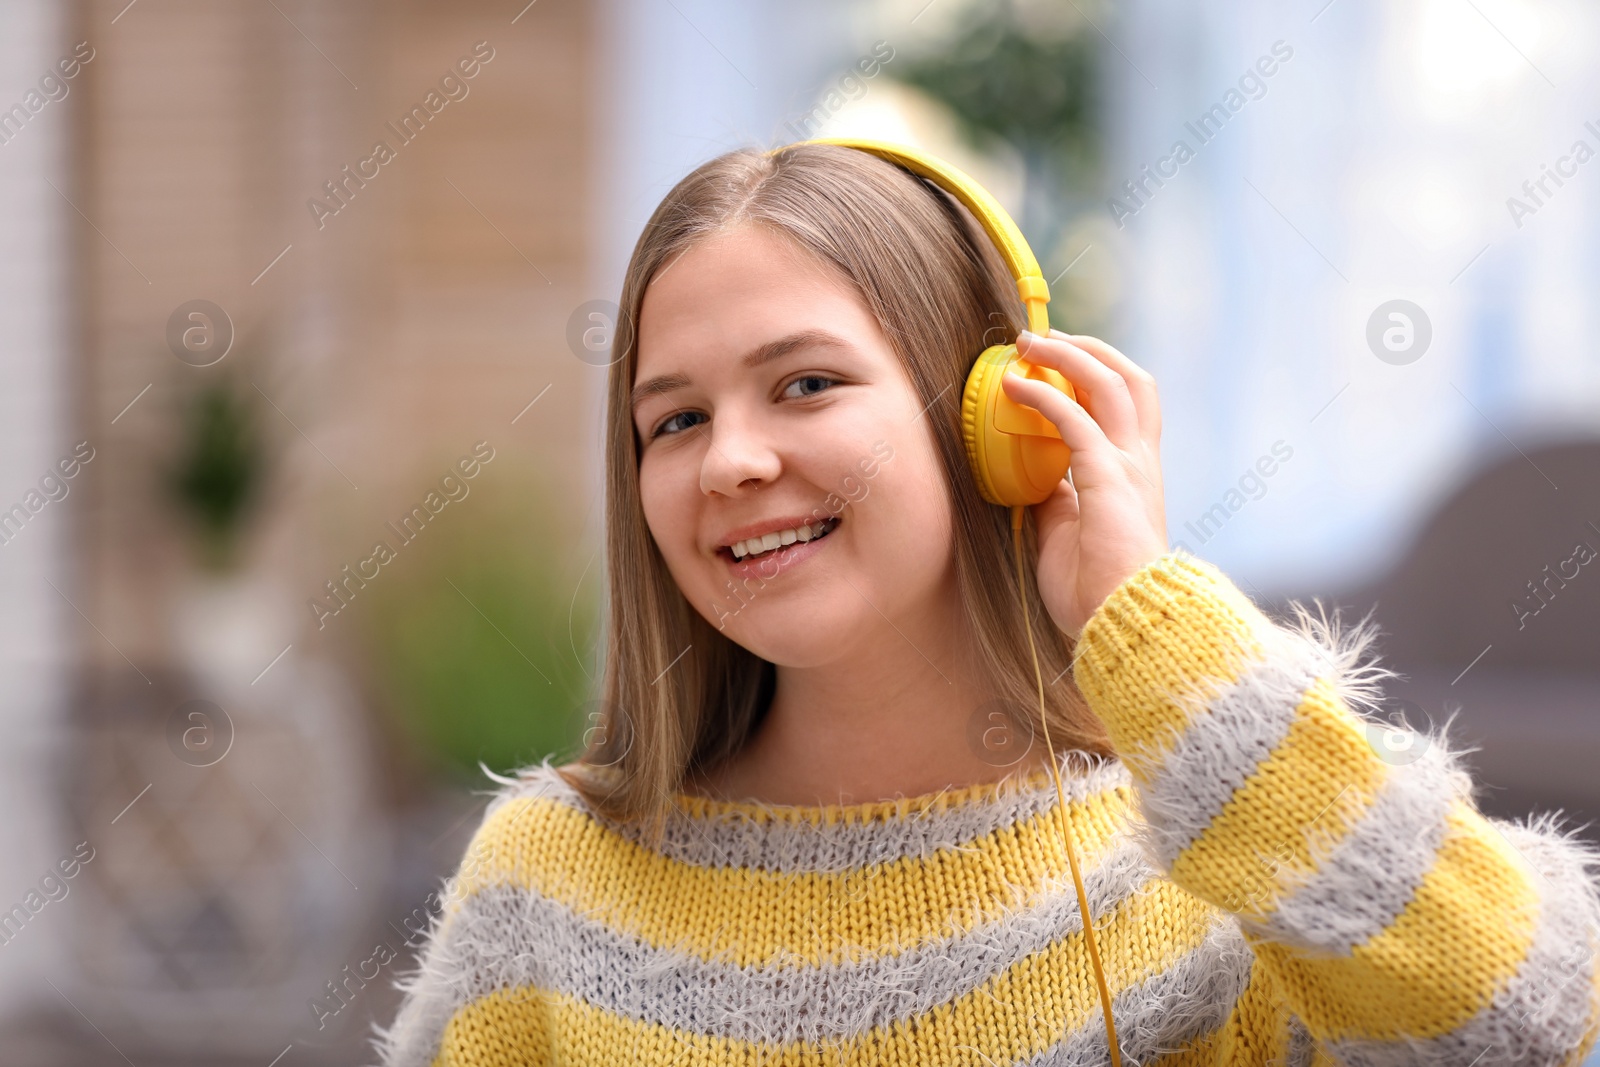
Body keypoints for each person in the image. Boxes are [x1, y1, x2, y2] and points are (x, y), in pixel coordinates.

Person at [375, 141, 1600, 1066]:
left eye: (803, 383)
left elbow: (1531, 1013)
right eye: (674, 419)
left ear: (997, 419)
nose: (728, 460)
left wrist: (1159, 630)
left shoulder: (1211, 861)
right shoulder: (543, 883)